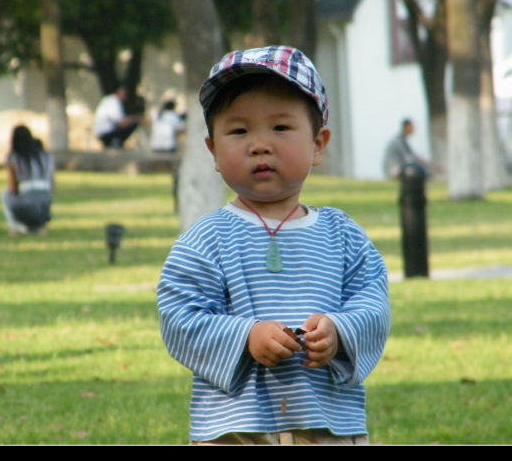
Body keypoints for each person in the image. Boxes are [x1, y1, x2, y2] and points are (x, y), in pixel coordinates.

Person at [156, 46, 390, 445]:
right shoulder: (205, 239)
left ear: (318, 144)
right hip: (237, 430)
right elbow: (179, 317)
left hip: (328, 425)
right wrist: (245, 336)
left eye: (280, 128)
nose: (259, 145)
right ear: (212, 150)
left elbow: (373, 302)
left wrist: (340, 331)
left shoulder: (343, 235)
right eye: (239, 131)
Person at [2, 125, 54, 236]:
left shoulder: (14, 157)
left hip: (25, 202)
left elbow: (12, 187)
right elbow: (53, 185)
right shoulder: (46, 156)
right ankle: (42, 226)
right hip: (45, 204)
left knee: (5, 194)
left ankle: (14, 228)